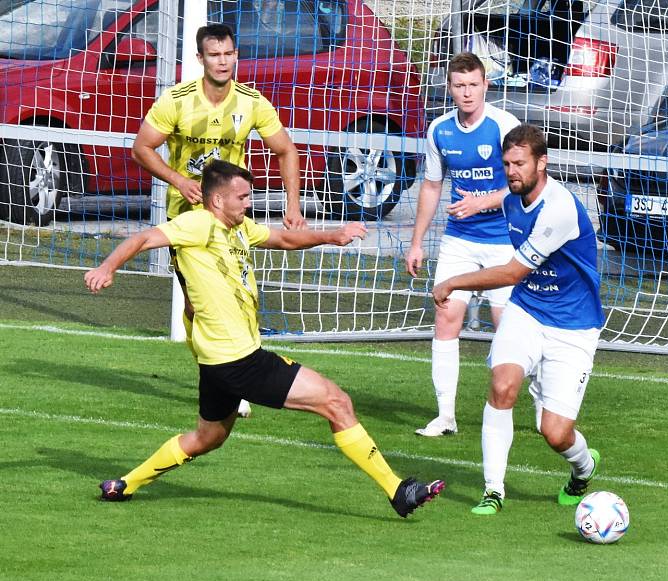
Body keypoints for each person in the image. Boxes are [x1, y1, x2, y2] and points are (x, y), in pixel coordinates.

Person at [85, 159, 445, 518]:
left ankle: (125, 484)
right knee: (336, 402)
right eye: (241, 197)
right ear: (217, 201)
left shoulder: (240, 229)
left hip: (219, 364)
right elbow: (145, 237)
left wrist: (332, 235)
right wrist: (107, 267)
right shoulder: (198, 224)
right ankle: (397, 490)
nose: (248, 203)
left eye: (249, 196)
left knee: (205, 438)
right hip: (240, 361)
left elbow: (284, 237)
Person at [132, 23, 307, 418]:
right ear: (200, 59)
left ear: (235, 56)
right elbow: (142, 148)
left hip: (231, 220)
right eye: (214, 54)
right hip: (187, 217)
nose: (223, 61)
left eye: (228, 54)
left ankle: (237, 378)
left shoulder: (252, 101)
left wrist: (292, 205)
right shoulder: (176, 100)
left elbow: (286, 150)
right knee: (197, 304)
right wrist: (178, 179)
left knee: (236, 295)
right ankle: (218, 374)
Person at [432, 124, 604, 514]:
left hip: (573, 324)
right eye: (506, 163)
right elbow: (501, 199)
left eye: (520, 163)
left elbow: (511, 274)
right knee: (503, 385)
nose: (511, 171)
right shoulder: (512, 198)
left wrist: (453, 282)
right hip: (527, 311)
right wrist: (477, 203)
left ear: (542, 163)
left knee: (555, 432)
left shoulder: (558, 209)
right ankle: (493, 490)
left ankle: (583, 466)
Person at [405, 51, 520, 437]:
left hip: (505, 241)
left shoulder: (505, 126)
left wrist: (482, 201)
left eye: (474, 84)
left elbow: (524, 182)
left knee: (509, 328)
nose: (467, 92)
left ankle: (541, 405)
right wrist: (417, 242)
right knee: (445, 316)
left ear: (486, 85)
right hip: (460, 241)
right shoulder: (439, 130)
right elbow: (433, 185)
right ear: (449, 88)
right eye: (459, 86)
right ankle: (445, 416)